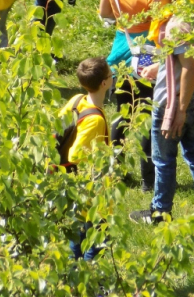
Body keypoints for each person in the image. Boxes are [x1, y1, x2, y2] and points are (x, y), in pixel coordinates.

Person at [130, 0, 194, 224]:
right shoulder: (192, 16)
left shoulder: (178, 24)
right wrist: (159, 67)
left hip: (173, 100)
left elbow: (190, 67)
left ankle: (160, 213)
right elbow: (183, 60)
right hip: (193, 94)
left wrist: (179, 109)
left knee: (163, 160)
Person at [98, 0, 156, 189]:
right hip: (146, 50)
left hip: (122, 47)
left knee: (123, 112)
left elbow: (105, 12)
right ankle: (149, 179)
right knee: (146, 113)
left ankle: (115, 170)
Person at [59, 57, 112, 260]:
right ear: (104, 83)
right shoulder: (95, 120)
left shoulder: (76, 100)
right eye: (110, 74)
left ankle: (74, 270)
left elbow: (58, 126)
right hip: (91, 187)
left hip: (71, 184)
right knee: (100, 237)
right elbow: (76, 155)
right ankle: (89, 272)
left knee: (78, 232)